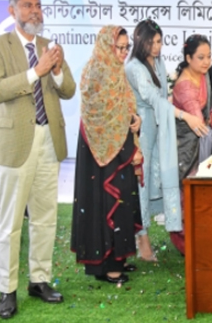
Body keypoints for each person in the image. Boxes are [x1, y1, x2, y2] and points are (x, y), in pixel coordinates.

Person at [0, 0, 76, 319]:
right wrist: (36, 71)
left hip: (48, 140)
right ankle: (7, 289)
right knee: (10, 222)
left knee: (45, 217)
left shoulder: (49, 47)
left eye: (38, 6)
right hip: (15, 144)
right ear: (13, 11)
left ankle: (39, 281)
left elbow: (69, 90)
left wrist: (55, 70)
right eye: (28, 6)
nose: (35, 11)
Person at [125, 19, 208, 261]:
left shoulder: (159, 62)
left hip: (160, 127)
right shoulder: (134, 67)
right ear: (140, 42)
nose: (156, 47)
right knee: (142, 183)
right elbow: (153, 99)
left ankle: (151, 231)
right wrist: (185, 116)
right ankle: (142, 238)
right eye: (151, 42)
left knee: (156, 179)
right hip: (142, 131)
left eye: (159, 42)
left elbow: (163, 98)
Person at [71, 25, 143, 284]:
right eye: (119, 48)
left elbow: (125, 105)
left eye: (126, 48)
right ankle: (107, 264)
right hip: (99, 151)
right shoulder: (95, 70)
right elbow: (97, 110)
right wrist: (127, 118)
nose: (123, 53)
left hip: (120, 147)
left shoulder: (116, 70)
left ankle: (117, 258)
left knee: (122, 201)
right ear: (106, 47)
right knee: (106, 203)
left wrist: (135, 119)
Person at [169, 34, 212, 255]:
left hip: (202, 143)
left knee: (199, 195)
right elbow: (199, 123)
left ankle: (199, 240)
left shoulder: (203, 75)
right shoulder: (184, 86)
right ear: (188, 58)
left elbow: (210, 112)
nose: (206, 62)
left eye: (209, 56)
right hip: (186, 148)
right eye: (201, 57)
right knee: (186, 194)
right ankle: (185, 245)